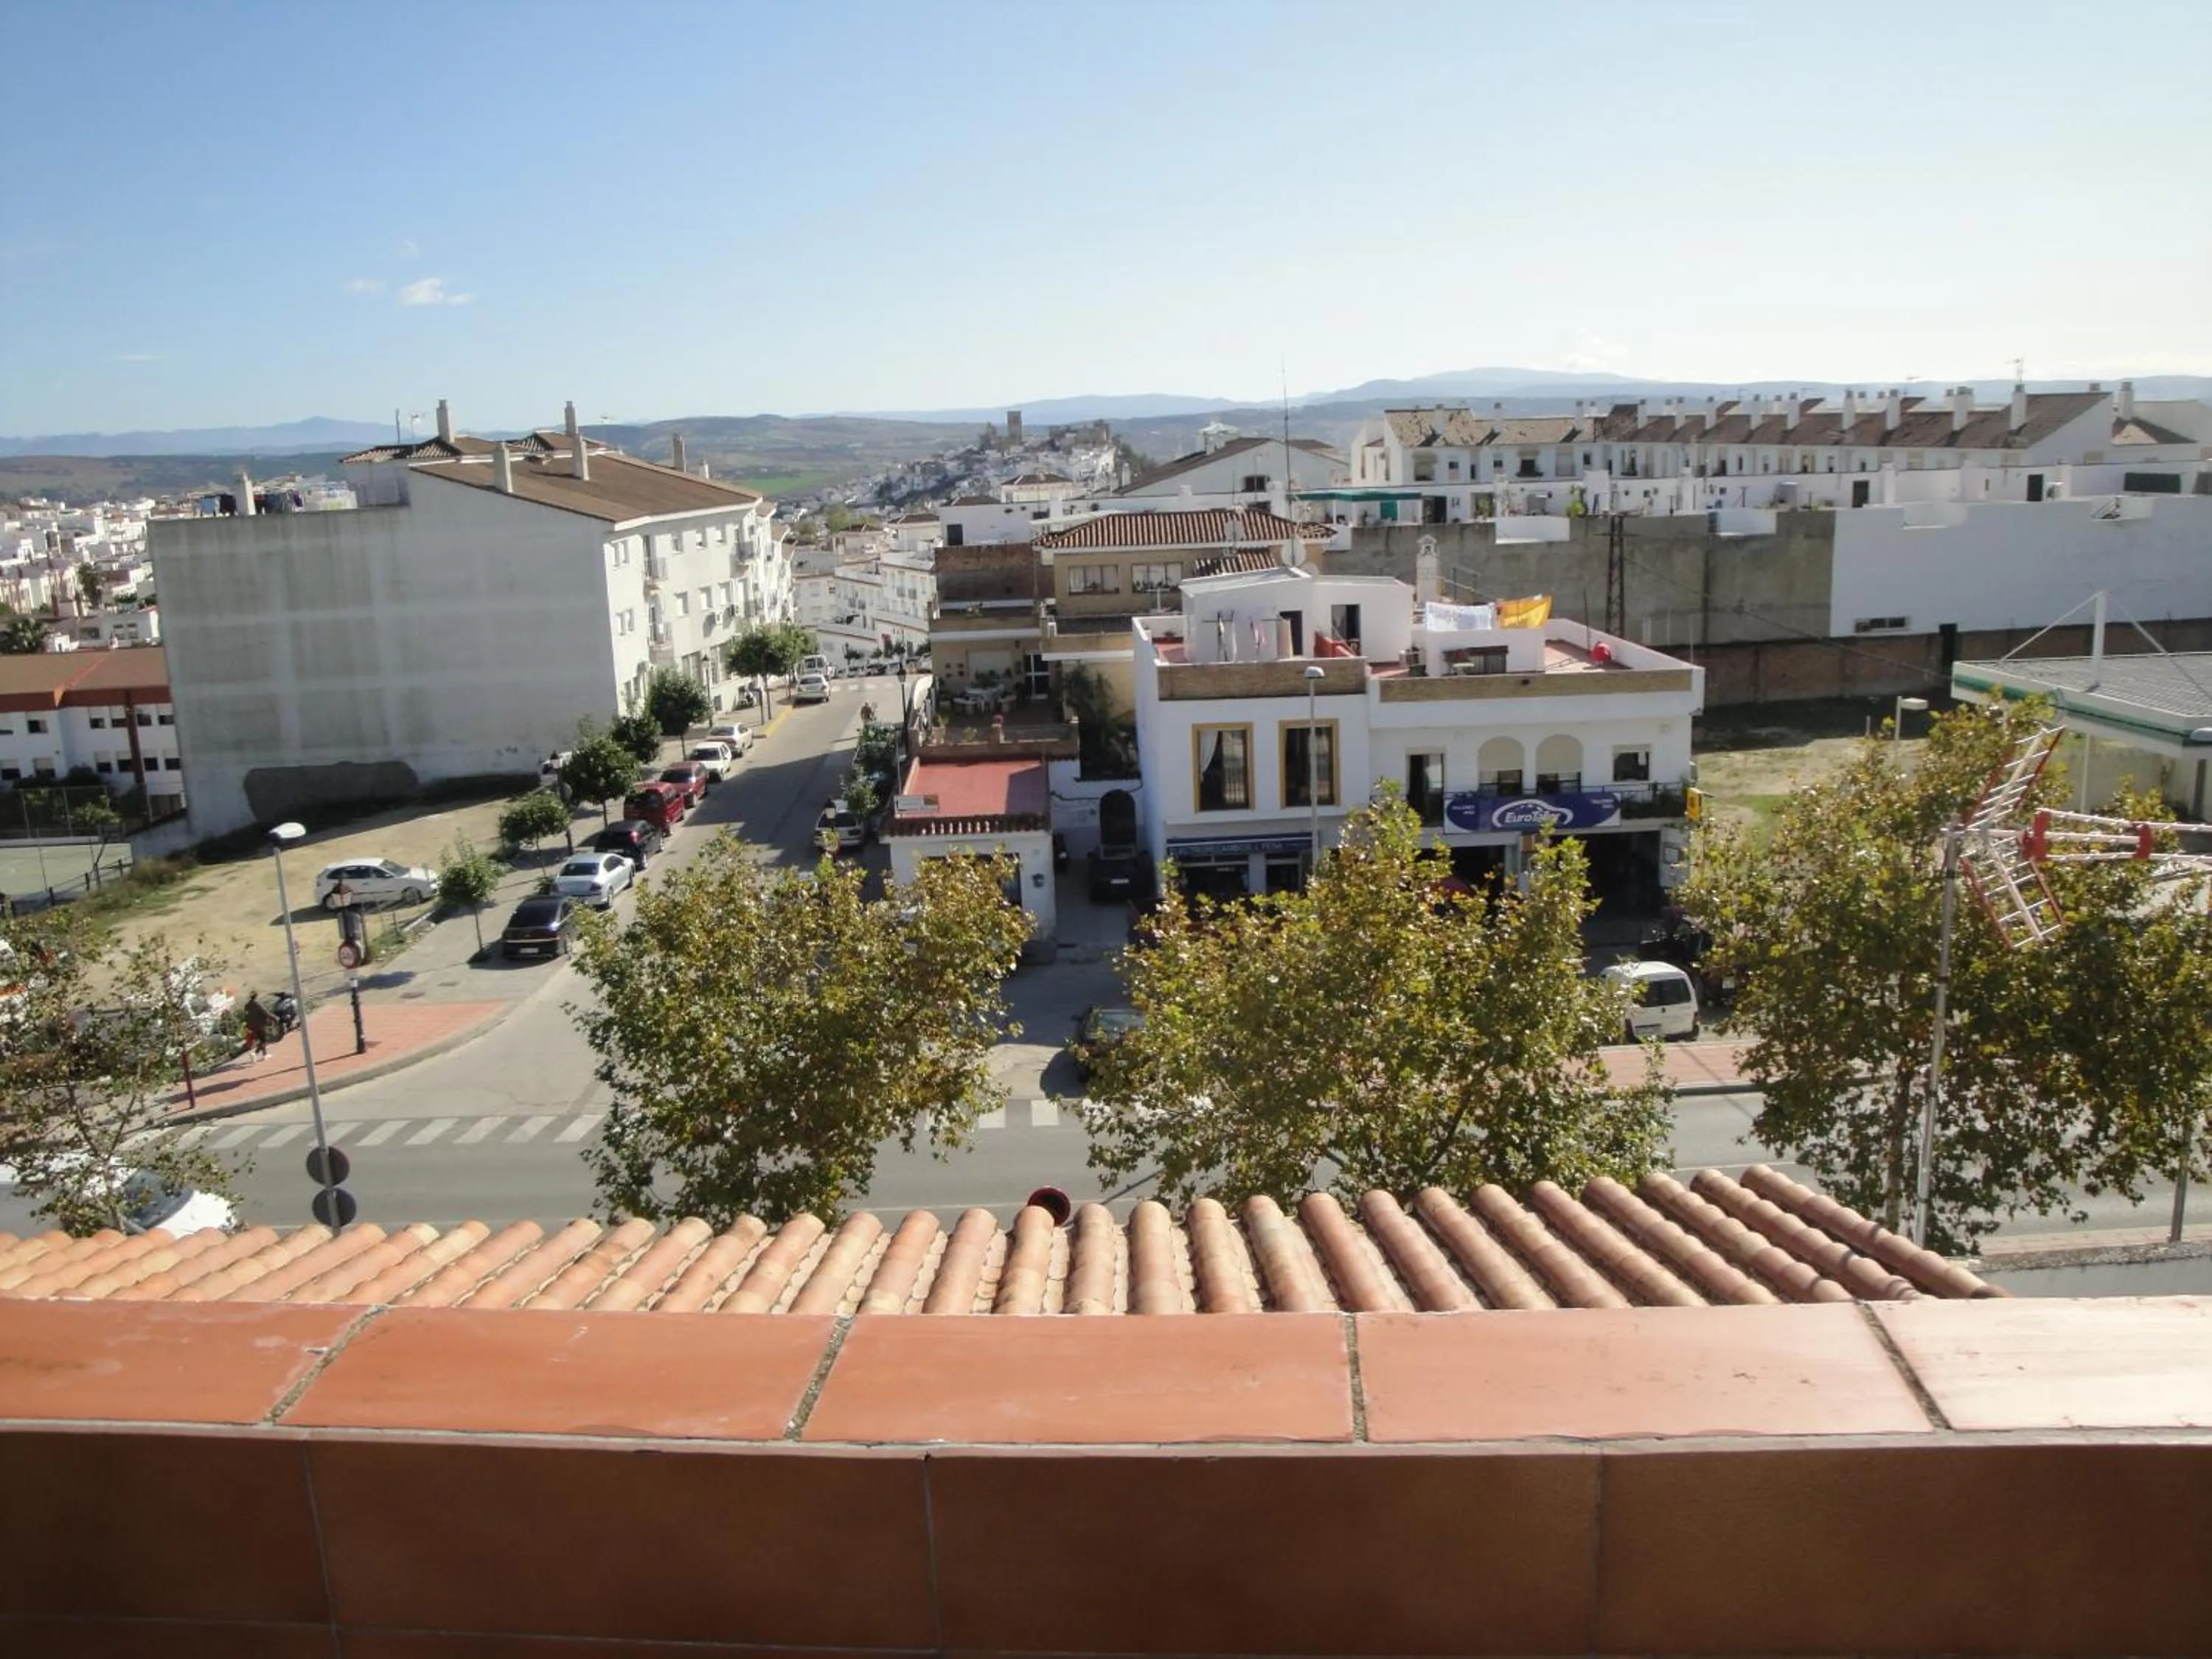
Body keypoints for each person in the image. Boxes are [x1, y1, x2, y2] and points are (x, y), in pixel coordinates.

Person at [243, 992, 271, 1060]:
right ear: (256, 996)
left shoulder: (247, 1005)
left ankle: (265, 1055)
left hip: (252, 1027)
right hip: (260, 1025)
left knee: (261, 1040)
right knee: (264, 1040)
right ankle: (255, 1053)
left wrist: (248, 1026)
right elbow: (265, 1012)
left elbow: (246, 1016)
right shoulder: (257, 1004)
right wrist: (274, 1018)